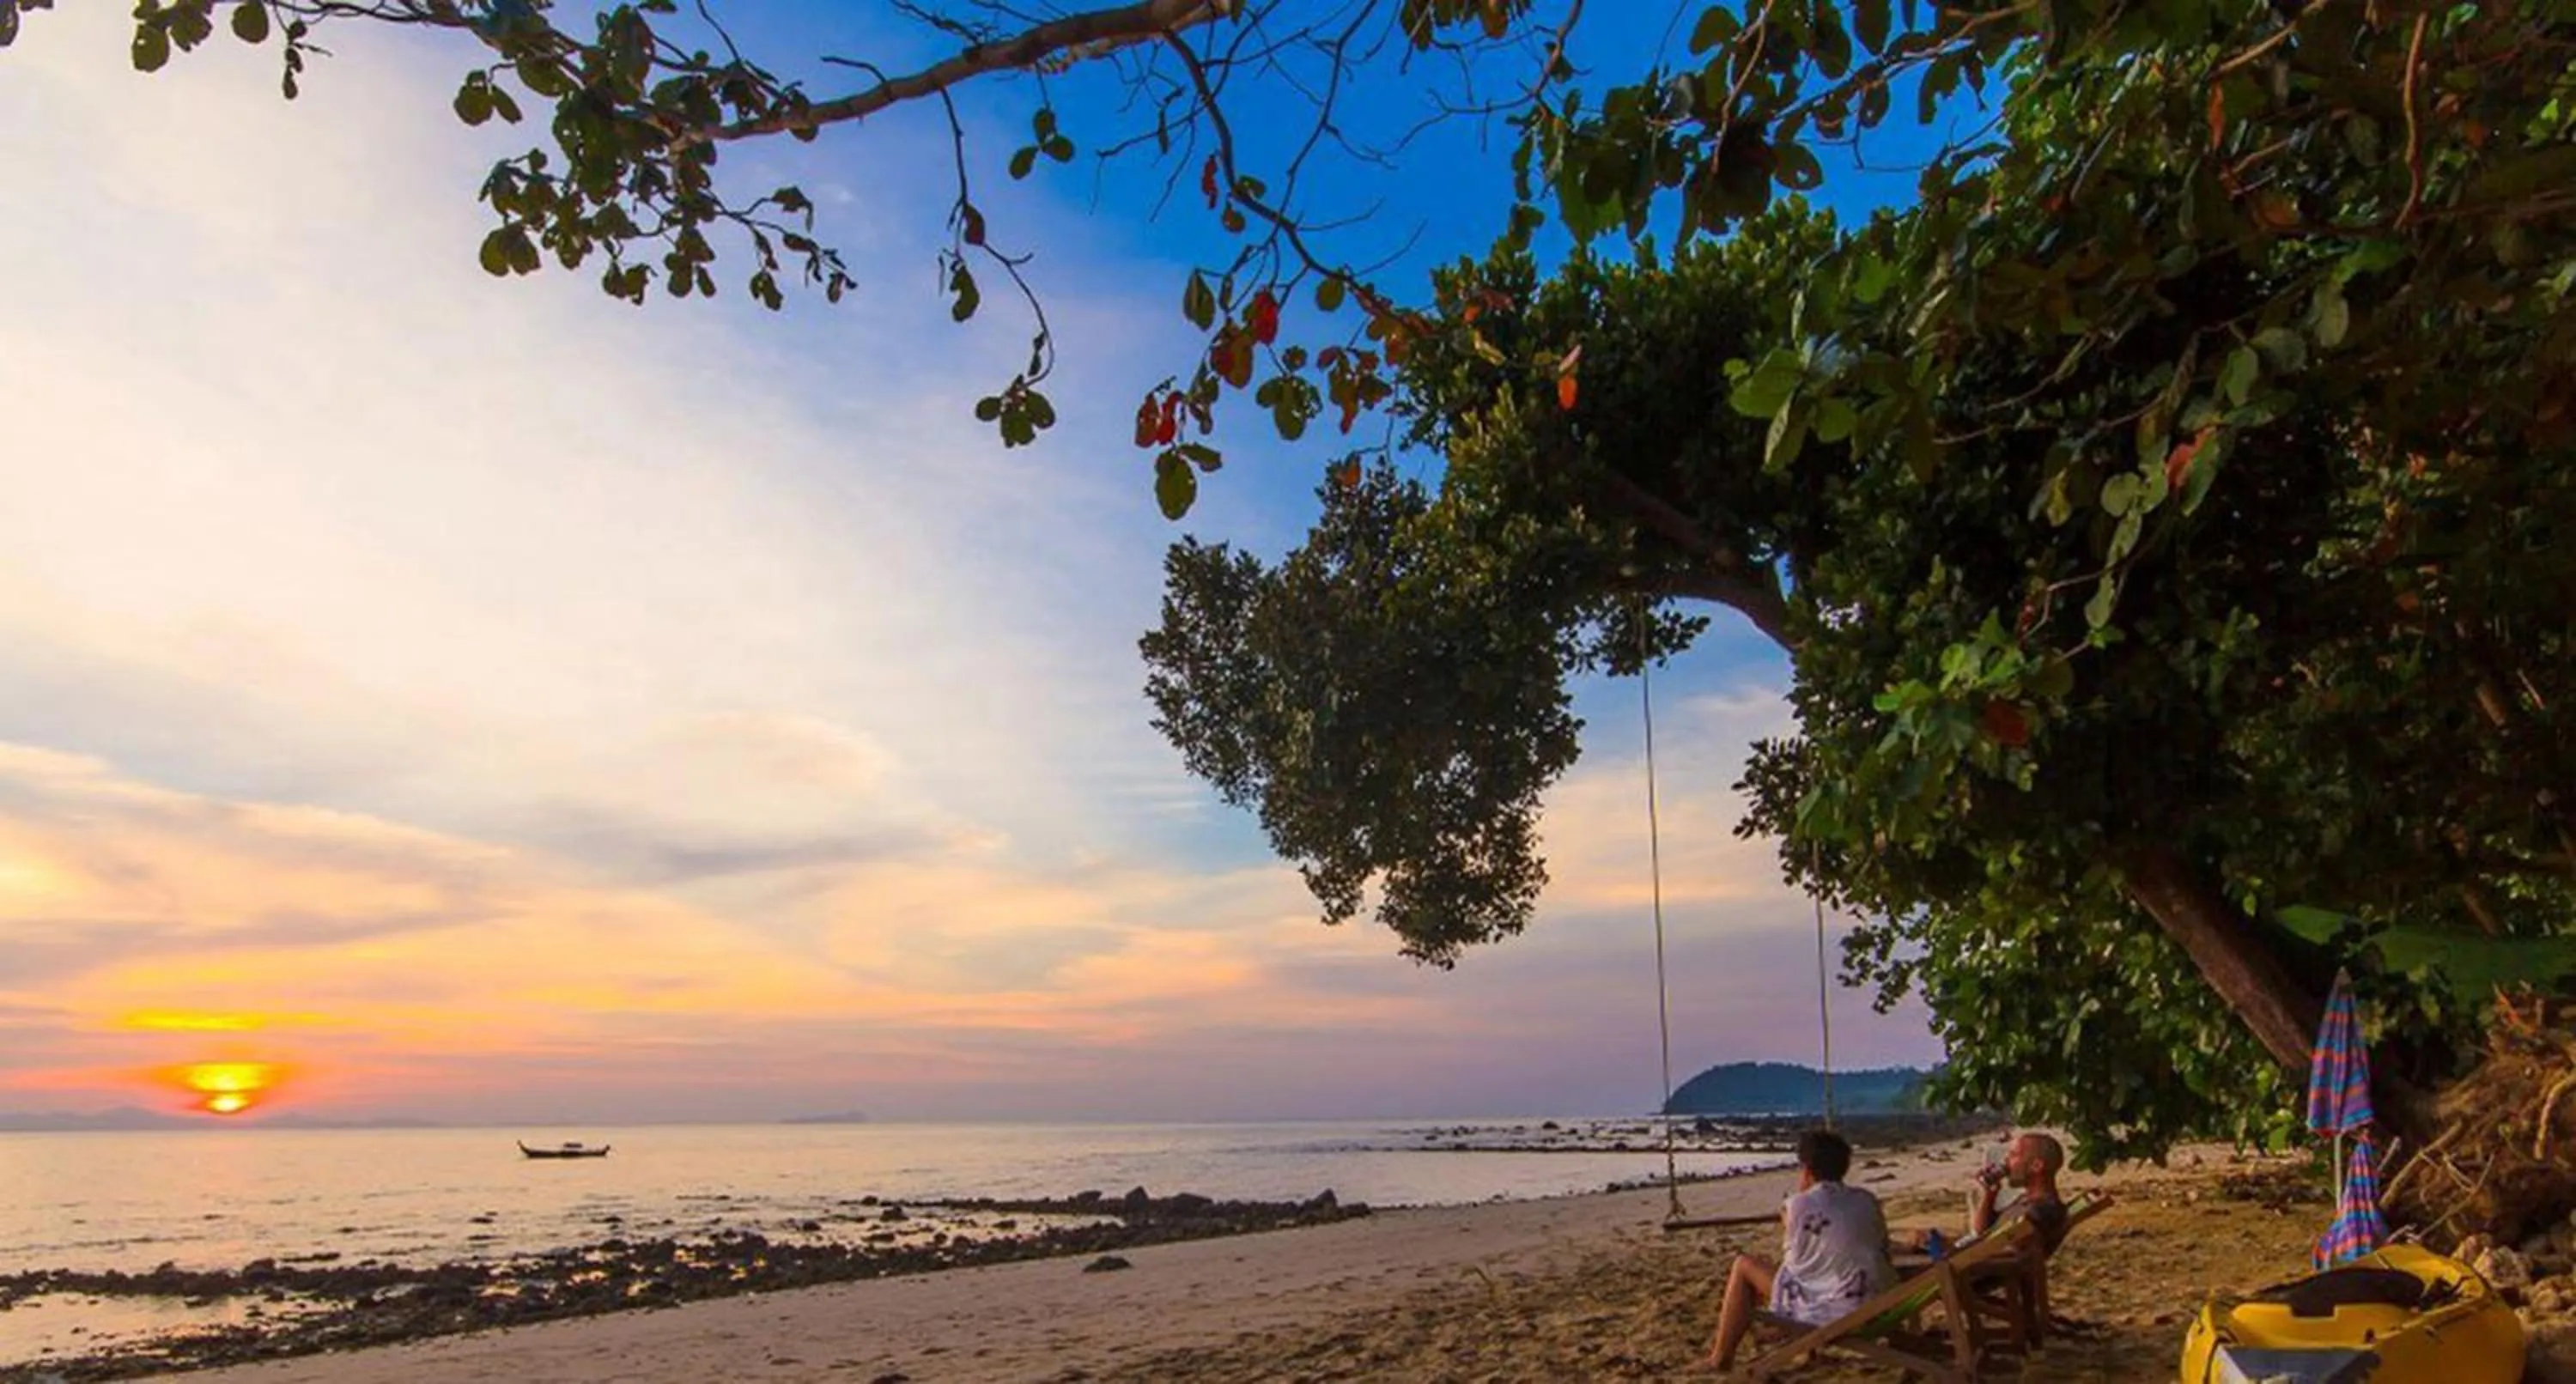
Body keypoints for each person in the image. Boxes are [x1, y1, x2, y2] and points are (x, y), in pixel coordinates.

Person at [1699, 1128, 1894, 1373]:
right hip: (1873, 1303)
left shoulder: (1798, 1204)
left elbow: (1795, 1267)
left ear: (1807, 1169)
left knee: (1743, 1265)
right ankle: (1793, 1344)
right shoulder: (1866, 1199)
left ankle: (1720, 1358)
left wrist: (1792, 1214)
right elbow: (1880, 1245)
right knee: (1821, 1268)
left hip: (1833, 1311)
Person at [1905, 1130, 2071, 1259]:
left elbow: (2007, 1254)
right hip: (1961, 1262)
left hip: (1957, 1272)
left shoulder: (2042, 1211)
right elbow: (1980, 1232)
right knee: (1889, 1251)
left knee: (1884, 1264)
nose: (2005, 1162)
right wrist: (1989, 1195)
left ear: (2036, 1166)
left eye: (2013, 1156)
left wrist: (1943, 1249)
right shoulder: (2028, 1202)